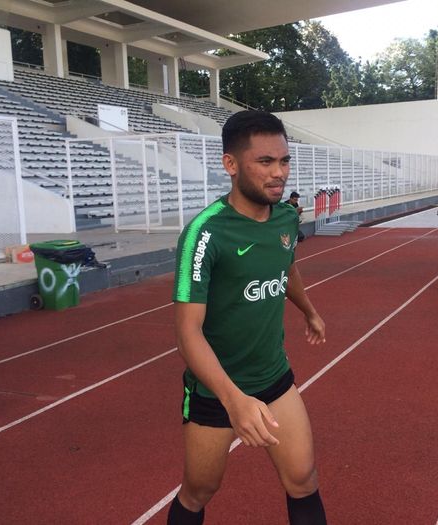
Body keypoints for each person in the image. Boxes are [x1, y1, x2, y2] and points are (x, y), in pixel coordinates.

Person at [169, 110, 327, 525]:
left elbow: (284, 266)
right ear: (231, 164)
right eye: (265, 162)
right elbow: (188, 334)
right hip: (214, 393)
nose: (279, 174)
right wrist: (233, 399)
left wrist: (308, 310)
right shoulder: (205, 233)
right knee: (199, 492)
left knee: (303, 479)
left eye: (284, 161)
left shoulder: (287, 218)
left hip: (274, 378)